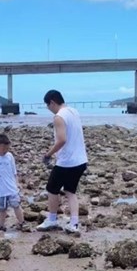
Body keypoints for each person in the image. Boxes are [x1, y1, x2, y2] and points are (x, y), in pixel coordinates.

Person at [37, 89, 88, 233]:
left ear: (52, 102)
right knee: (70, 191)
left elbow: (62, 140)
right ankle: (74, 223)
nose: (49, 109)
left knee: (52, 189)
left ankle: (52, 219)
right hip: (81, 160)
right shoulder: (74, 111)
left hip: (67, 162)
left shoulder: (59, 117)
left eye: (48, 106)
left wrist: (48, 154)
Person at [0, 133, 26, 232]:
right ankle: (1, 226)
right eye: (3, 148)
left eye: (7, 148)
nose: (5, 150)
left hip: (11, 187)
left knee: (16, 205)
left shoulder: (10, 156)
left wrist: (17, 183)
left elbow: (14, 172)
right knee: (2, 208)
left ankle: (22, 223)